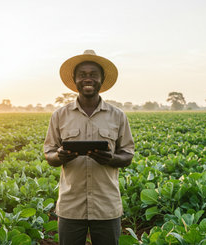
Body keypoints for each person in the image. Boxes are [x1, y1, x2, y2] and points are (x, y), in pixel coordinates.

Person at [44, 50, 135, 245]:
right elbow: (49, 154)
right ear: (75, 80)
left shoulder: (118, 116)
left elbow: (127, 155)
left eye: (93, 74)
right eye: (82, 75)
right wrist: (60, 156)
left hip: (106, 205)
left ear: (101, 80)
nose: (88, 79)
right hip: (71, 205)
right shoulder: (59, 116)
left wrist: (111, 159)